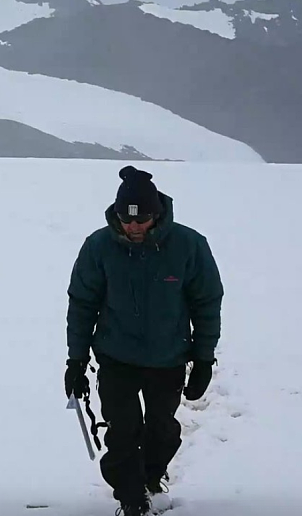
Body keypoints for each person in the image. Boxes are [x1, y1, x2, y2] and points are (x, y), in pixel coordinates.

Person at [64, 165, 224, 516]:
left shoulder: (189, 246)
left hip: (167, 357)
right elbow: (82, 302)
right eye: (126, 219)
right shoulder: (98, 246)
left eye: (141, 219)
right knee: (122, 431)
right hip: (116, 356)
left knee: (161, 429)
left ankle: (152, 478)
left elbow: (207, 303)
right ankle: (131, 497)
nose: (133, 227)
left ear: (157, 213)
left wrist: (203, 359)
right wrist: (75, 360)